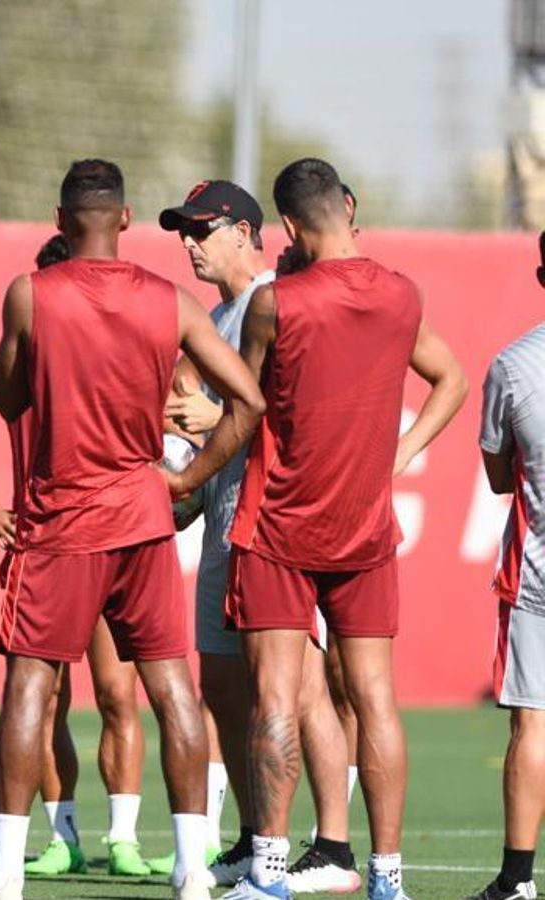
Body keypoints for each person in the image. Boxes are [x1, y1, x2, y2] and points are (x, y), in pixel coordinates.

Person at [0, 159, 266, 900]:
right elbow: (250, 399)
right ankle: (193, 870)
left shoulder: (30, 296)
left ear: (60, 220)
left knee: (30, 688)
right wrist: (189, 480)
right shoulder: (169, 301)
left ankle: (6, 873)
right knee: (172, 691)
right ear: (126, 219)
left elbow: (1, 394)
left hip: (61, 520)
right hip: (143, 517)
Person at [220, 158, 467, 900]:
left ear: (288, 227)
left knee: (274, 698)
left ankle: (266, 870)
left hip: (279, 531)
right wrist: (403, 450)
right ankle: (387, 875)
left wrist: (181, 480)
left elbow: (242, 411)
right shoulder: (401, 294)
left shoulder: (277, 304)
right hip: (364, 530)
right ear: (347, 209)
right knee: (375, 699)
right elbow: (451, 379)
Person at [155, 179, 360, 893]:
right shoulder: (219, 313)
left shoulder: (278, 299)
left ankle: (332, 848)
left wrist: (203, 428)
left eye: (200, 228)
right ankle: (252, 835)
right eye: (182, 230)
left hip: (275, 522)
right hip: (224, 519)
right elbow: (210, 425)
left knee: (300, 689)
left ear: (244, 231)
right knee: (226, 690)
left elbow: (288, 416)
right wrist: (184, 482)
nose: (188, 242)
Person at [463, 230, 545, 900]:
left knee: (532, 723)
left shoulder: (513, 365)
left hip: (538, 578)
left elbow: (497, 476)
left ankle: (517, 879)